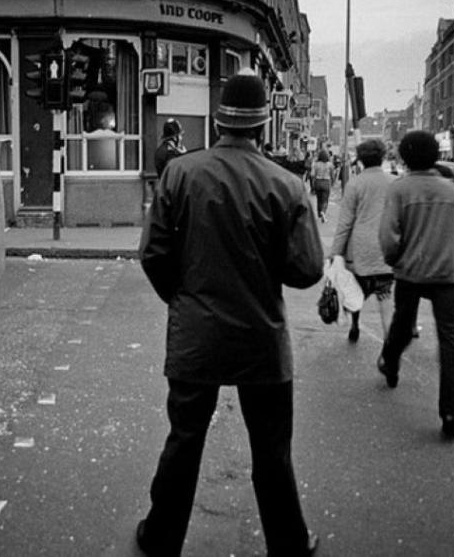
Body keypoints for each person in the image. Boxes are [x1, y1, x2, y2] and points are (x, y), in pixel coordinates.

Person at [137, 68, 324, 556]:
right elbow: (306, 270)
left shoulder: (180, 172)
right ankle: (288, 542)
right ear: (264, 125)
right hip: (261, 338)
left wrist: (183, 299)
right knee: (271, 451)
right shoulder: (286, 185)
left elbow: (154, 254)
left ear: (218, 122)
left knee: (184, 440)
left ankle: (160, 538)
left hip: (196, 334)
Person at [377, 130, 454, 440]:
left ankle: (390, 363)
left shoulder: (400, 189)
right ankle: (450, 411)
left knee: (402, 325)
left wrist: (394, 260)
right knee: (450, 342)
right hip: (448, 275)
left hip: (411, 272)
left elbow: (389, 235)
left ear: (404, 156)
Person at [331, 139, 395, 344]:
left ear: (360, 160)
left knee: (356, 293)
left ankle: (355, 326)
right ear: (382, 157)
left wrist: (335, 253)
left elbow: (345, 224)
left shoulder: (355, 184)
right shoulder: (393, 183)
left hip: (358, 252)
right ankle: (390, 348)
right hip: (386, 251)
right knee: (386, 299)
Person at [310, 149, 334, 221]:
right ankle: (323, 212)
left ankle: (319, 214)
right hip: (326, 182)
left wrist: (313, 182)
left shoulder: (316, 164)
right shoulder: (330, 164)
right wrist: (332, 182)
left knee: (319, 199)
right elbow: (332, 175)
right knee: (325, 199)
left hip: (318, 181)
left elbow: (312, 174)